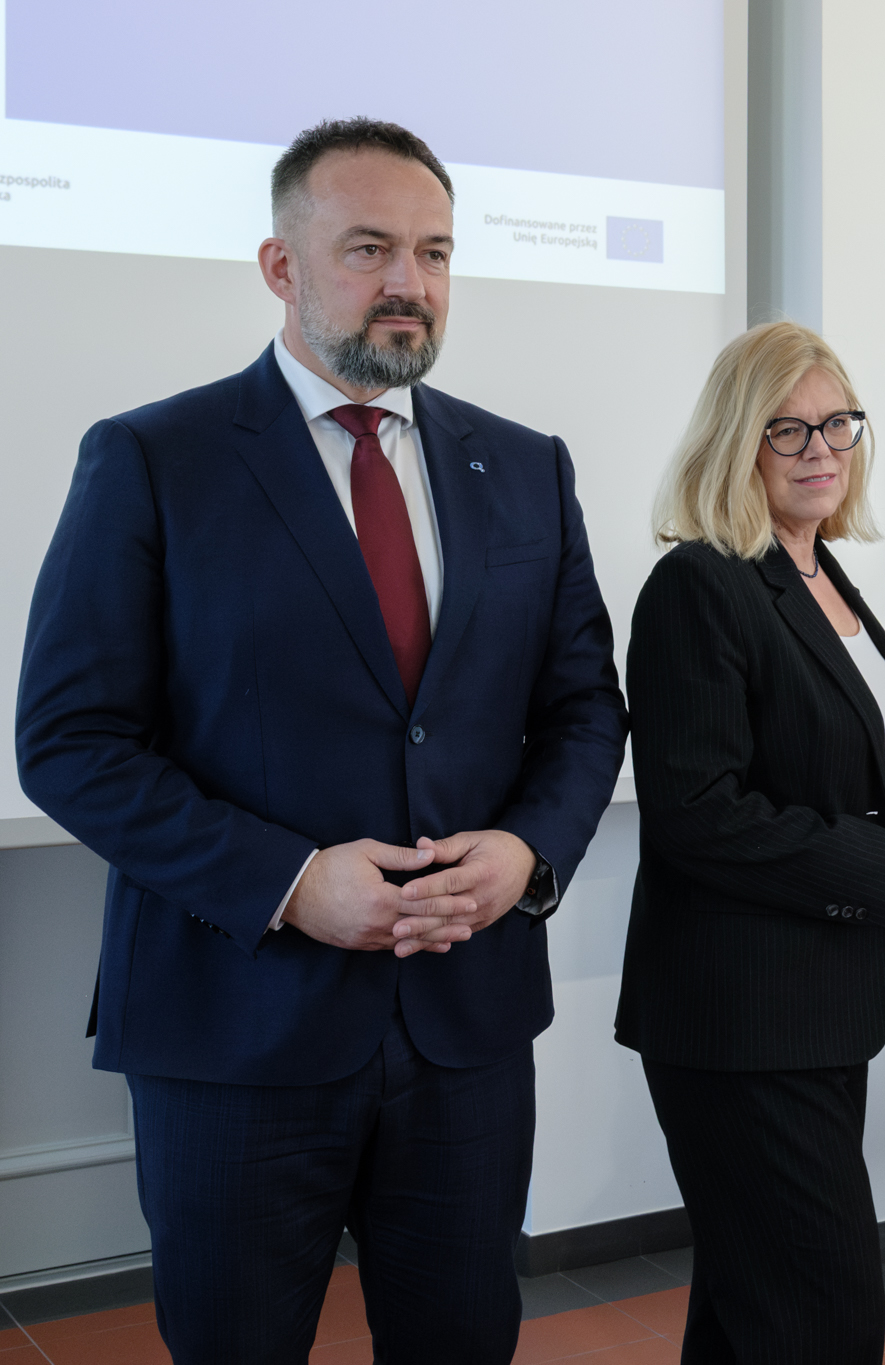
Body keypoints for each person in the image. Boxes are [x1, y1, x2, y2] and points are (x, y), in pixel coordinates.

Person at [14, 119, 628, 1363]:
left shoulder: (523, 466)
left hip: (463, 1025)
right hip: (234, 1029)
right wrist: (290, 884)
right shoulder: (153, 459)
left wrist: (525, 853)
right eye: (368, 249)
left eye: (434, 252)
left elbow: (584, 709)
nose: (409, 282)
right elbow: (71, 741)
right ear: (280, 267)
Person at [615, 321, 885, 1363]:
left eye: (838, 423)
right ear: (736, 440)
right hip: (739, 1018)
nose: (821, 448)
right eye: (787, 429)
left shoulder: (824, 575)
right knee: (822, 1317)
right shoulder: (700, 584)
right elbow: (696, 811)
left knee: (751, 1311)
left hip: (824, 1004)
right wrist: (875, 864)